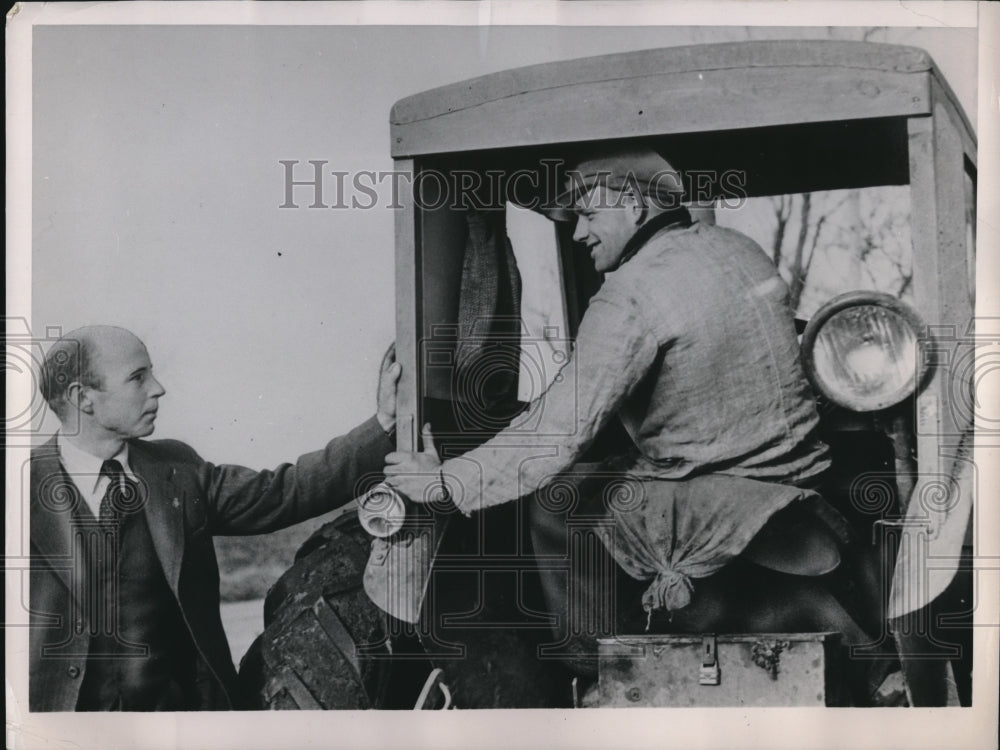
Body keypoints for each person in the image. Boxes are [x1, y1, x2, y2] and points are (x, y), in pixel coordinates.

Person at [384, 145, 879, 687]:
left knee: (558, 498)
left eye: (590, 216)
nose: (578, 233)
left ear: (636, 208)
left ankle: (595, 667)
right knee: (615, 466)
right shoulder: (738, 249)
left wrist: (443, 482)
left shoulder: (632, 292)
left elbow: (556, 431)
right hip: (798, 474)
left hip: (722, 490)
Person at [29, 325, 400, 711]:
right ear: (82, 398)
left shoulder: (177, 469)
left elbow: (283, 493)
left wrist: (384, 425)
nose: (158, 388)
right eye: (138, 377)